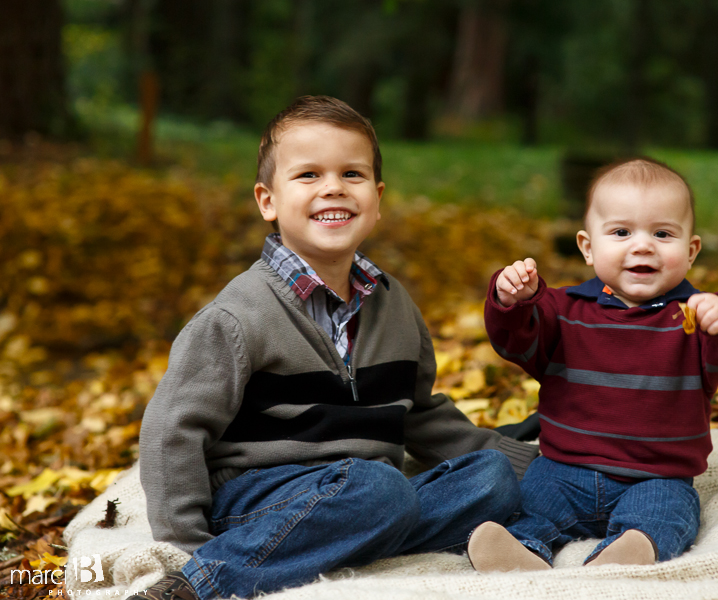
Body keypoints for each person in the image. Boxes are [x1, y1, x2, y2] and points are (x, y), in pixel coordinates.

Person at [131, 96, 538, 600]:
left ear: (378, 197)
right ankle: (205, 581)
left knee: (491, 480)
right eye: (308, 176)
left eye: (352, 174)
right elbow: (172, 429)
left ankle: (332, 544)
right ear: (267, 200)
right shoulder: (236, 318)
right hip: (260, 497)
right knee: (379, 491)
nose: (333, 189)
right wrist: (186, 545)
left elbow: (421, 414)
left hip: (368, 495)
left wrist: (538, 464)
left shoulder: (395, 305)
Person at [467, 157, 718, 572]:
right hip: (563, 470)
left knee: (666, 512)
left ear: (691, 250)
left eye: (663, 234)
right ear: (588, 247)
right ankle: (521, 548)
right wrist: (512, 301)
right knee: (532, 503)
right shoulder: (561, 308)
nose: (642, 245)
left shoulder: (695, 316)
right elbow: (515, 339)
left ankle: (630, 550)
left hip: (656, 476)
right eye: (621, 232)